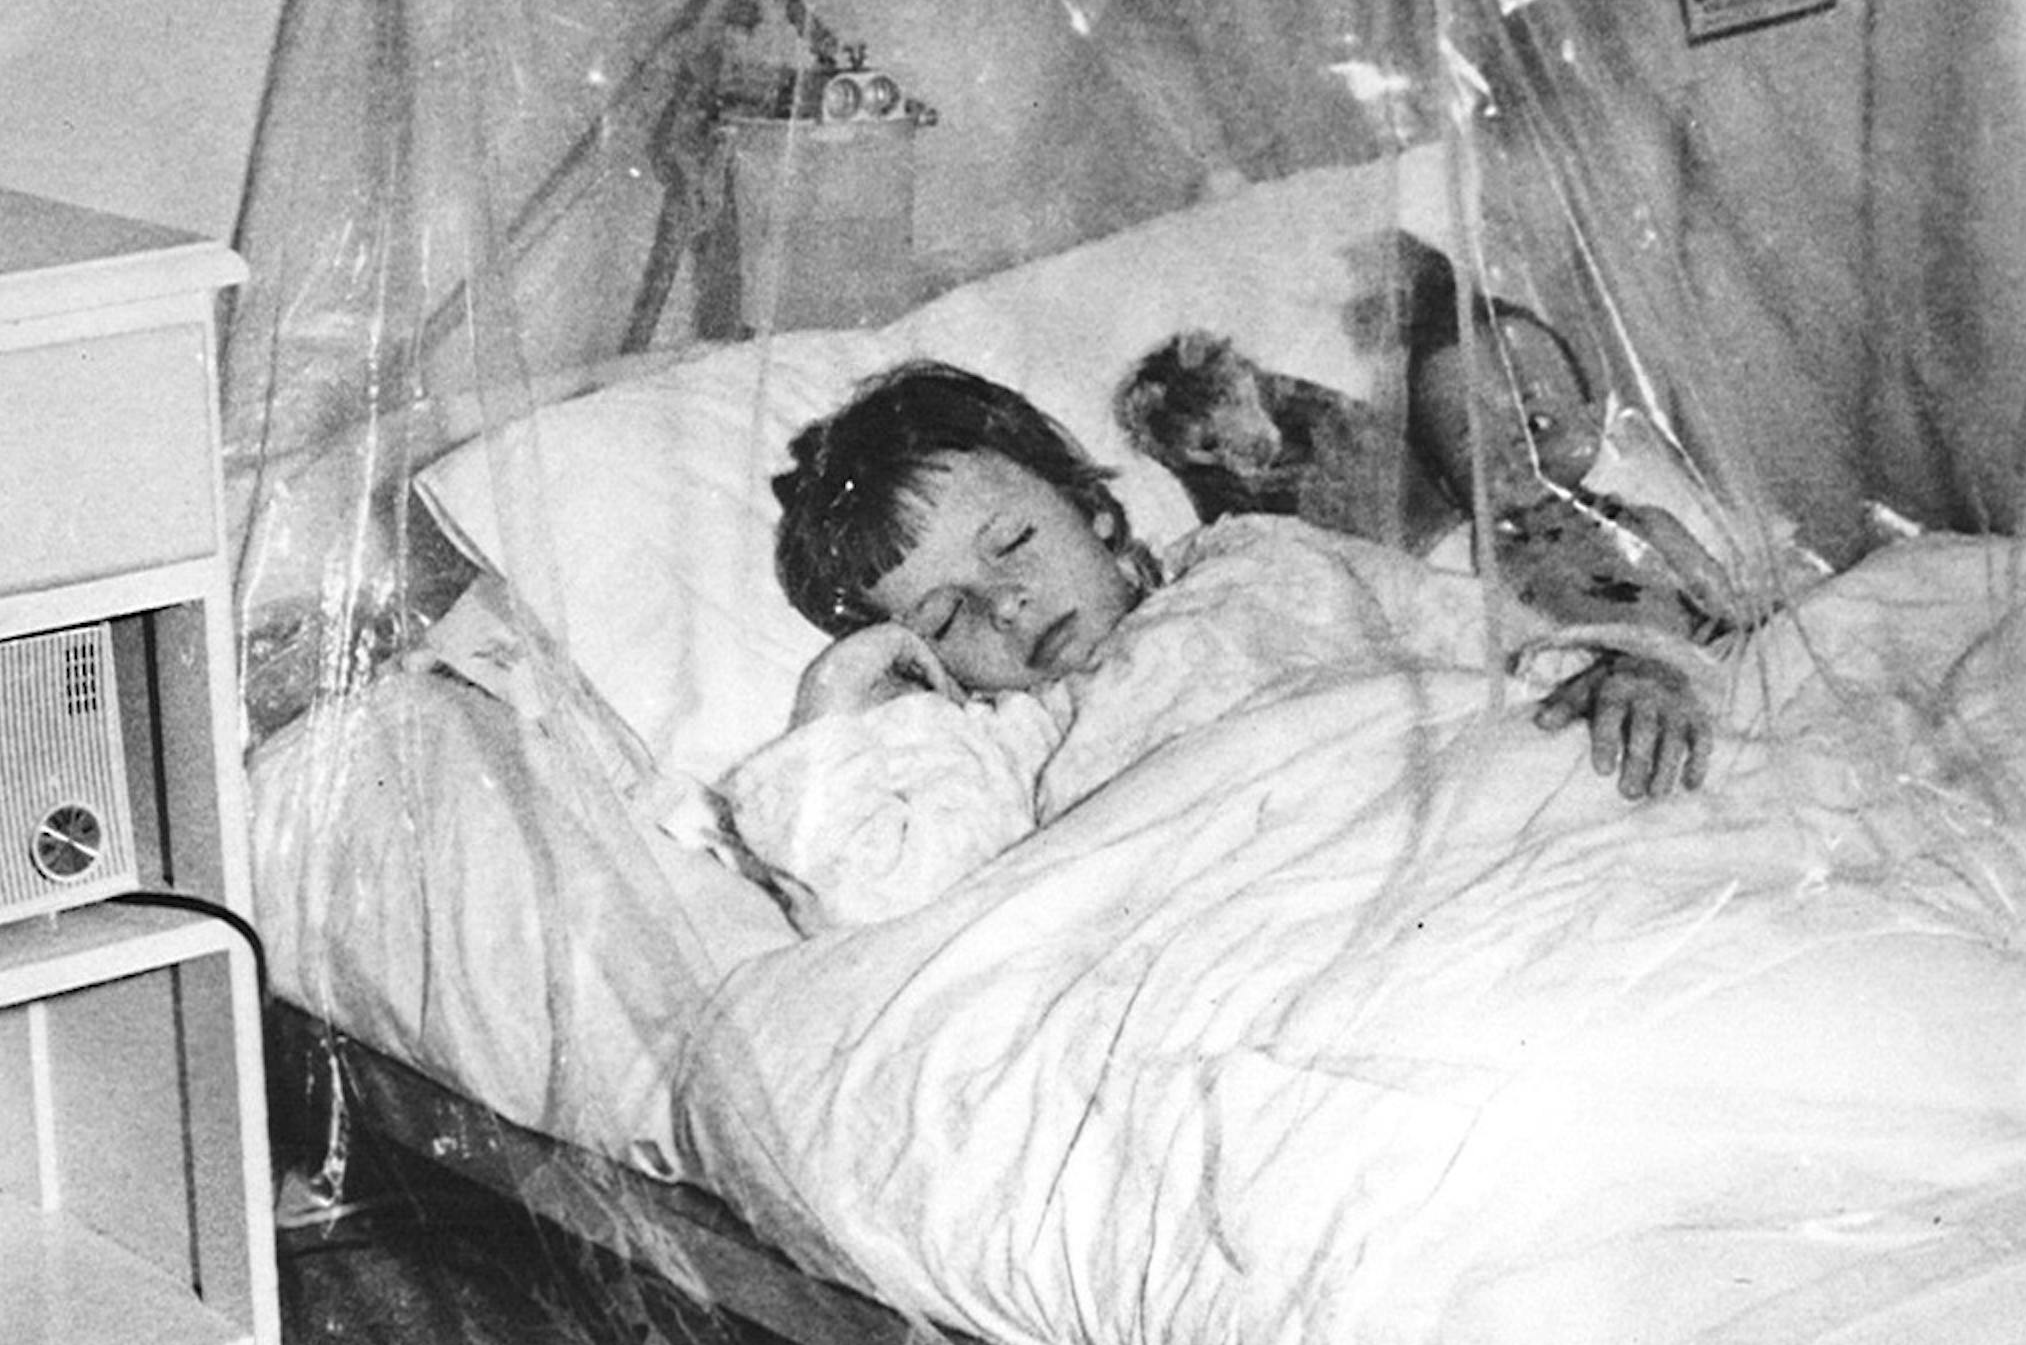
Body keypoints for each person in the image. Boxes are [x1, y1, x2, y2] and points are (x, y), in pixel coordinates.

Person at [730, 361, 1710, 931]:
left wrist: (1634, 667)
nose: (1008, 605)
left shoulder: (1258, 555)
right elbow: (862, 891)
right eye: (946, 617)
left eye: (1015, 544)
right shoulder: (1018, 737)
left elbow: (1488, 633)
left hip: (1477, 810)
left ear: (1091, 509)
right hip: (1303, 904)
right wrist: (842, 684)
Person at [1397, 251, 1755, 644]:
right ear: (1448, 485)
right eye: (1478, 446)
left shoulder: (1646, 522)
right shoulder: (1503, 558)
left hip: (1702, 647)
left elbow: (1720, 594)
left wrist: (1735, 614)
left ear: (1591, 418)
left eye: (1539, 423)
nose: (1518, 452)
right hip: (1617, 662)